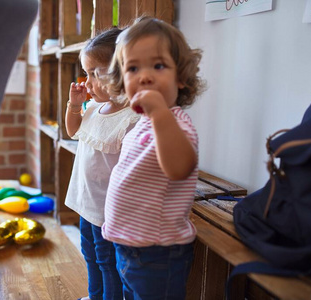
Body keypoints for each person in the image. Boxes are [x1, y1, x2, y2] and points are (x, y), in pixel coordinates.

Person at [101, 17, 205, 299]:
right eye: (133, 68)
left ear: (181, 76)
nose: (144, 76)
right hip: (130, 247)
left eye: (158, 66)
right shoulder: (143, 124)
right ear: (122, 80)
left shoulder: (175, 123)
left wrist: (159, 112)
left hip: (159, 254)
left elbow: (180, 168)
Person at [64, 27, 140, 300]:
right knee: (90, 255)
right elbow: (72, 131)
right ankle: (95, 296)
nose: (87, 81)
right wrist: (74, 105)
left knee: (109, 262)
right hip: (86, 202)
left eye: (96, 73)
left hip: (109, 210)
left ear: (124, 71)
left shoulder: (132, 117)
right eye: (86, 73)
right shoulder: (94, 106)